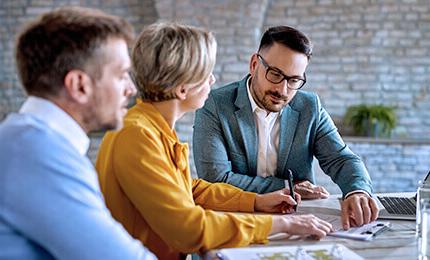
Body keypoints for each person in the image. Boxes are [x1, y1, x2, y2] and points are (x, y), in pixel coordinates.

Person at [96, 22, 333, 260]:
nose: (212, 80)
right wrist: (280, 225)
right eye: (205, 73)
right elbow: (188, 227)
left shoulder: (152, 126)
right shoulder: (136, 135)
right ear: (182, 89)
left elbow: (189, 189)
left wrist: (257, 201)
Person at [0, 7, 155, 259]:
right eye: (121, 75)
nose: (131, 88)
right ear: (79, 85)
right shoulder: (38, 153)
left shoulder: (26, 140)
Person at [193, 25, 379, 230]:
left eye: (294, 80)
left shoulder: (309, 107)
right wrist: (286, 187)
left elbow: (342, 159)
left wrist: (357, 191)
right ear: (254, 64)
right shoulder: (215, 105)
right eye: (275, 74)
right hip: (234, 221)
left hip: (297, 222)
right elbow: (215, 179)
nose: (282, 90)